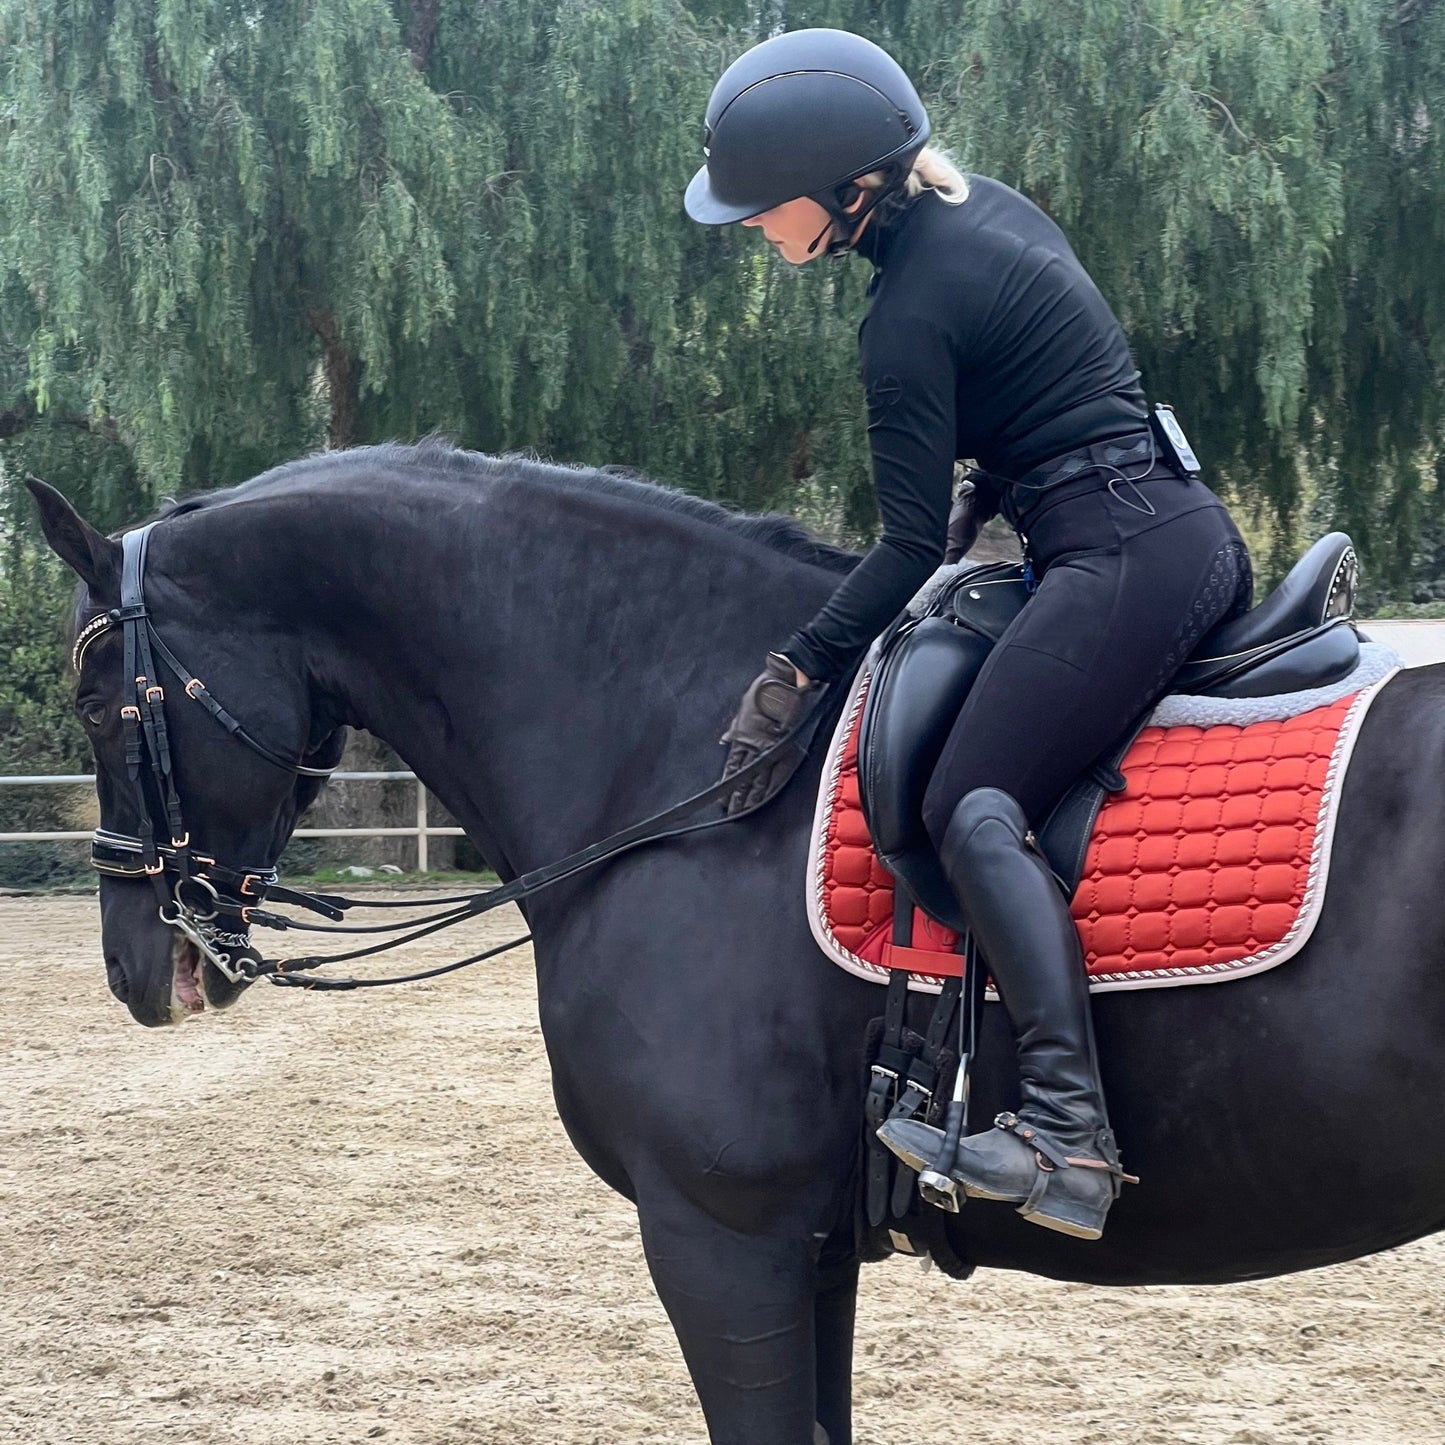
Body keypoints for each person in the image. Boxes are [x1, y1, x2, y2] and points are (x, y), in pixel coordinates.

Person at [685, 27, 1253, 1240]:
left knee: (971, 799)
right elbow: (1028, 418)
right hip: (1161, 519)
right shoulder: (981, 214)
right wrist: (967, 513)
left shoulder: (900, 322)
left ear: (841, 190)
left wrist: (795, 667)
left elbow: (895, 552)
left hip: (1116, 549)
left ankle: (1063, 1133)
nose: (745, 224)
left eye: (756, 205)